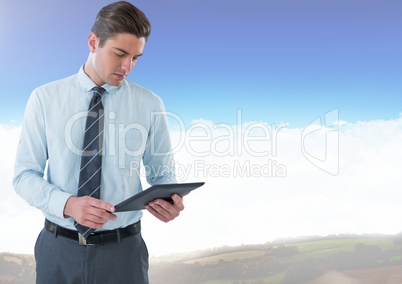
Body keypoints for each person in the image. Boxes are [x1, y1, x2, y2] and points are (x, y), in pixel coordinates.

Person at [13, 1, 184, 283]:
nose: (127, 66)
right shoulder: (44, 99)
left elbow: (163, 174)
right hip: (58, 251)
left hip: (124, 253)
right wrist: (67, 204)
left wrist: (169, 201)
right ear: (93, 42)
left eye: (136, 58)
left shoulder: (150, 104)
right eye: (120, 54)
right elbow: (23, 176)